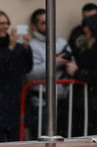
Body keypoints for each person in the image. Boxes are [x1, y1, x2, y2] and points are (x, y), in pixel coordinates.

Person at [0, 10, 33, 143]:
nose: (5, 26)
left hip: (13, 101)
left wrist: (26, 47)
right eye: (1, 23)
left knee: (15, 140)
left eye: (7, 23)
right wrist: (10, 48)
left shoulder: (15, 45)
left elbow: (26, 67)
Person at [25, 8, 69, 138]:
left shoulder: (62, 42)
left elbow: (73, 65)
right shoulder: (31, 45)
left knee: (64, 139)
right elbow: (31, 74)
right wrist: (55, 63)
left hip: (64, 99)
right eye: (44, 23)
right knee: (43, 139)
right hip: (42, 102)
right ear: (35, 26)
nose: (49, 26)